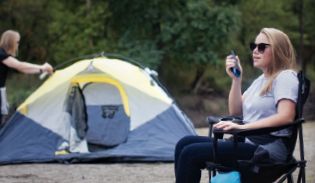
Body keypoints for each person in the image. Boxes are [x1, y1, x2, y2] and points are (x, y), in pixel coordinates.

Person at [174, 27, 299, 183]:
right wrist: (236, 79)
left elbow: (286, 117)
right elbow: (236, 111)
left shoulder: (285, 77)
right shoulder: (261, 80)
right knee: (184, 143)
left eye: (261, 47)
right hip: (248, 144)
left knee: (190, 153)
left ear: (278, 50)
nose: (255, 51)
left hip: (267, 152)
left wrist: (242, 128)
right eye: (253, 46)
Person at [0, 30, 53, 127]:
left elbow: (25, 69)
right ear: (10, 42)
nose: (18, 45)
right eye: (17, 42)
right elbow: (21, 66)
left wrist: (41, 69)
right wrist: (42, 67)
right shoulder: (1, 55)